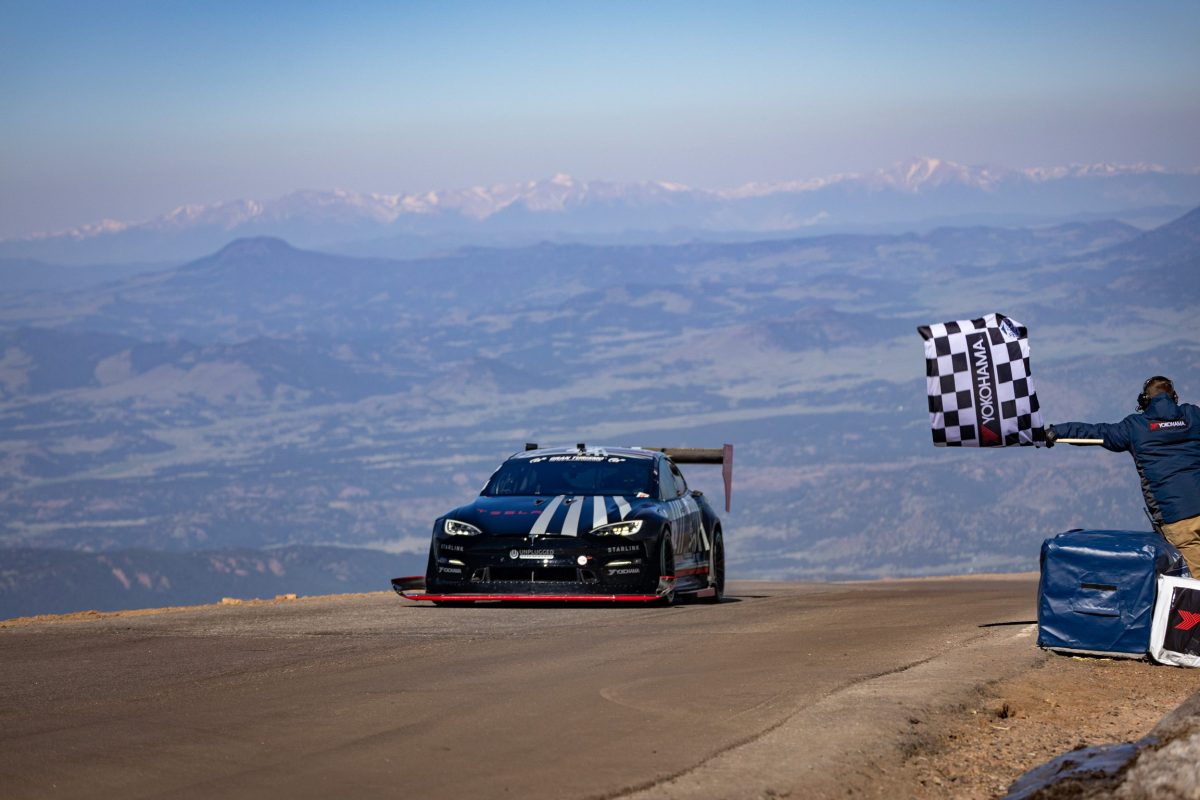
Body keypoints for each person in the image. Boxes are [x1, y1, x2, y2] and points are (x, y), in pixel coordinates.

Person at [1047, 376, 1200, 575]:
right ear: (1174, 397)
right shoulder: (1194, 416)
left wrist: (1055, 432)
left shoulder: (1136, 427)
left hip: (1178, 518)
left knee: (1195, 584)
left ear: (1144, 401)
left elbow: (1095, 433)